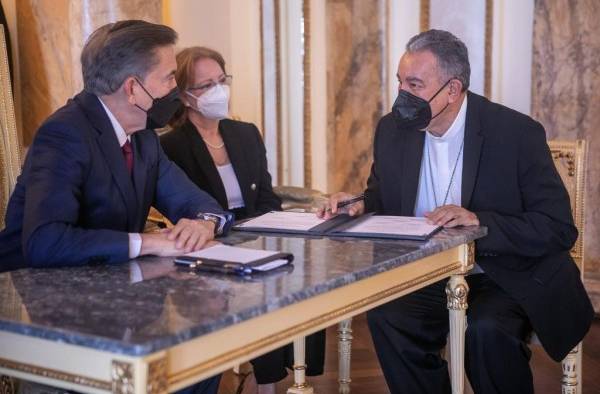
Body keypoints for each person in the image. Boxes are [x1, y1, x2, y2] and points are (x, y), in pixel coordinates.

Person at [319, 29, 594, 394]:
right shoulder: (392, 130)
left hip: (505, 273)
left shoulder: (516, 133)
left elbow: (558, 228)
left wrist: (480, 221)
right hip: (430, 272)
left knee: (486, 330)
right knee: (388, 316)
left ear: (453, 89)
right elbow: (382, 196)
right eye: (400, 82)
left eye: (415, 85)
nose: (402, 95)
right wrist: (358, 204)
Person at [0, 20, 233, 393]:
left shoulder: (144, 139)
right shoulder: (64, 133)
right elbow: (46, 242)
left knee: (202, 356)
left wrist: (204, 223)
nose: (176, 88)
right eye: (169, 77)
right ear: (132, 88)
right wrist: (151, 242)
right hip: (45, 314)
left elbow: (199, 202)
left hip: (116, 295)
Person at [160, 47, 324, 394]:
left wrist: (274, 227)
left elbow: (265, 198)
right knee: (257, 285)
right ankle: (267, 383)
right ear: (185, 96)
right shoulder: (172, 145)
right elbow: (182, 208)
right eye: (206, 85)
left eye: (222, 80)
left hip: (258, 230)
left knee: (300, 273)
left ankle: (296, 370)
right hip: (212, 242)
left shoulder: (245, 133)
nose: (218, 90)